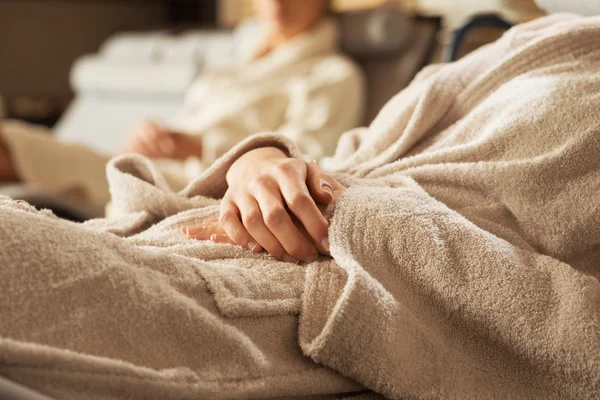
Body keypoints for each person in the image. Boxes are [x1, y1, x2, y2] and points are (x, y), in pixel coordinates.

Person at [1, 10, 599, 400]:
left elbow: (573, 332)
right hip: (199, 225)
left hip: (304, 295)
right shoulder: (527, 45)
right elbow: (352, 154)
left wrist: (346, 212)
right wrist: (256, 161)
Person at [0, 0, 364, 209]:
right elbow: (184, 125)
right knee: (13, 139)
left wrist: (201, 147)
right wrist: (151, 138)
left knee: (13, 149)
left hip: (198, 181)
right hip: (153, 162)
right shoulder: (231, 65)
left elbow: (308, 159)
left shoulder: (333, 74)